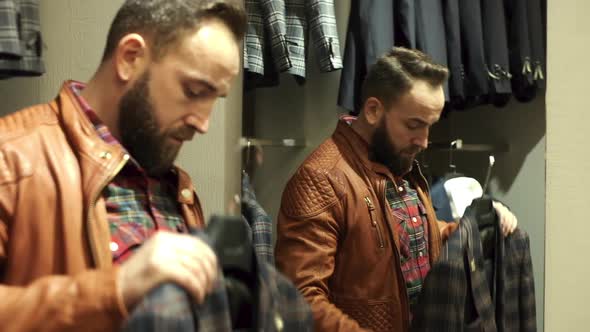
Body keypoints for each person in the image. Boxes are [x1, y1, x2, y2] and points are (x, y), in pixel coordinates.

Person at [0, 0, 246, 331]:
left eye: (214, 98)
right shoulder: (11, 160)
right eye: (195, 91)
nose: (203, 123)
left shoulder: (175, 186)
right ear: (130, 58)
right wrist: (114, 289)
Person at [275, 47, 518, 332]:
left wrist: (477, 224)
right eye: (414, 125)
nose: (424, 141)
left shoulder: (399, 164)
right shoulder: (321, 179)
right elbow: (300, 300)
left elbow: (410, 242)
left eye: (430, 126)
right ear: (373, 110)